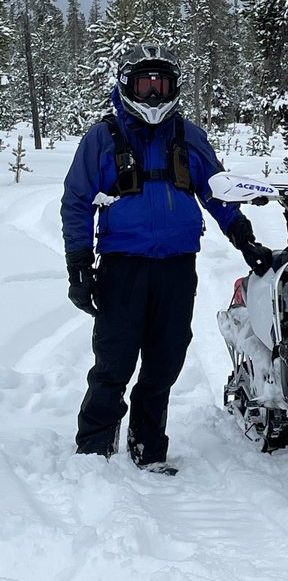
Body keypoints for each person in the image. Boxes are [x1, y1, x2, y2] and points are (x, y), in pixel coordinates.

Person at [61, 43, 272, 475]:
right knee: (115, 358)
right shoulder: (103, 138)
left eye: (162, 84)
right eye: (146, 84)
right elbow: (77, 200)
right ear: (128, 86)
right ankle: (94, 447)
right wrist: (79, 264)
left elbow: (219, 192)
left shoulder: (188, 136)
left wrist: (243, 237)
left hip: (177, 265)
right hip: (123, 264)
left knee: (166, 356)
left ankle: (148, 446)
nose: (154, 94)